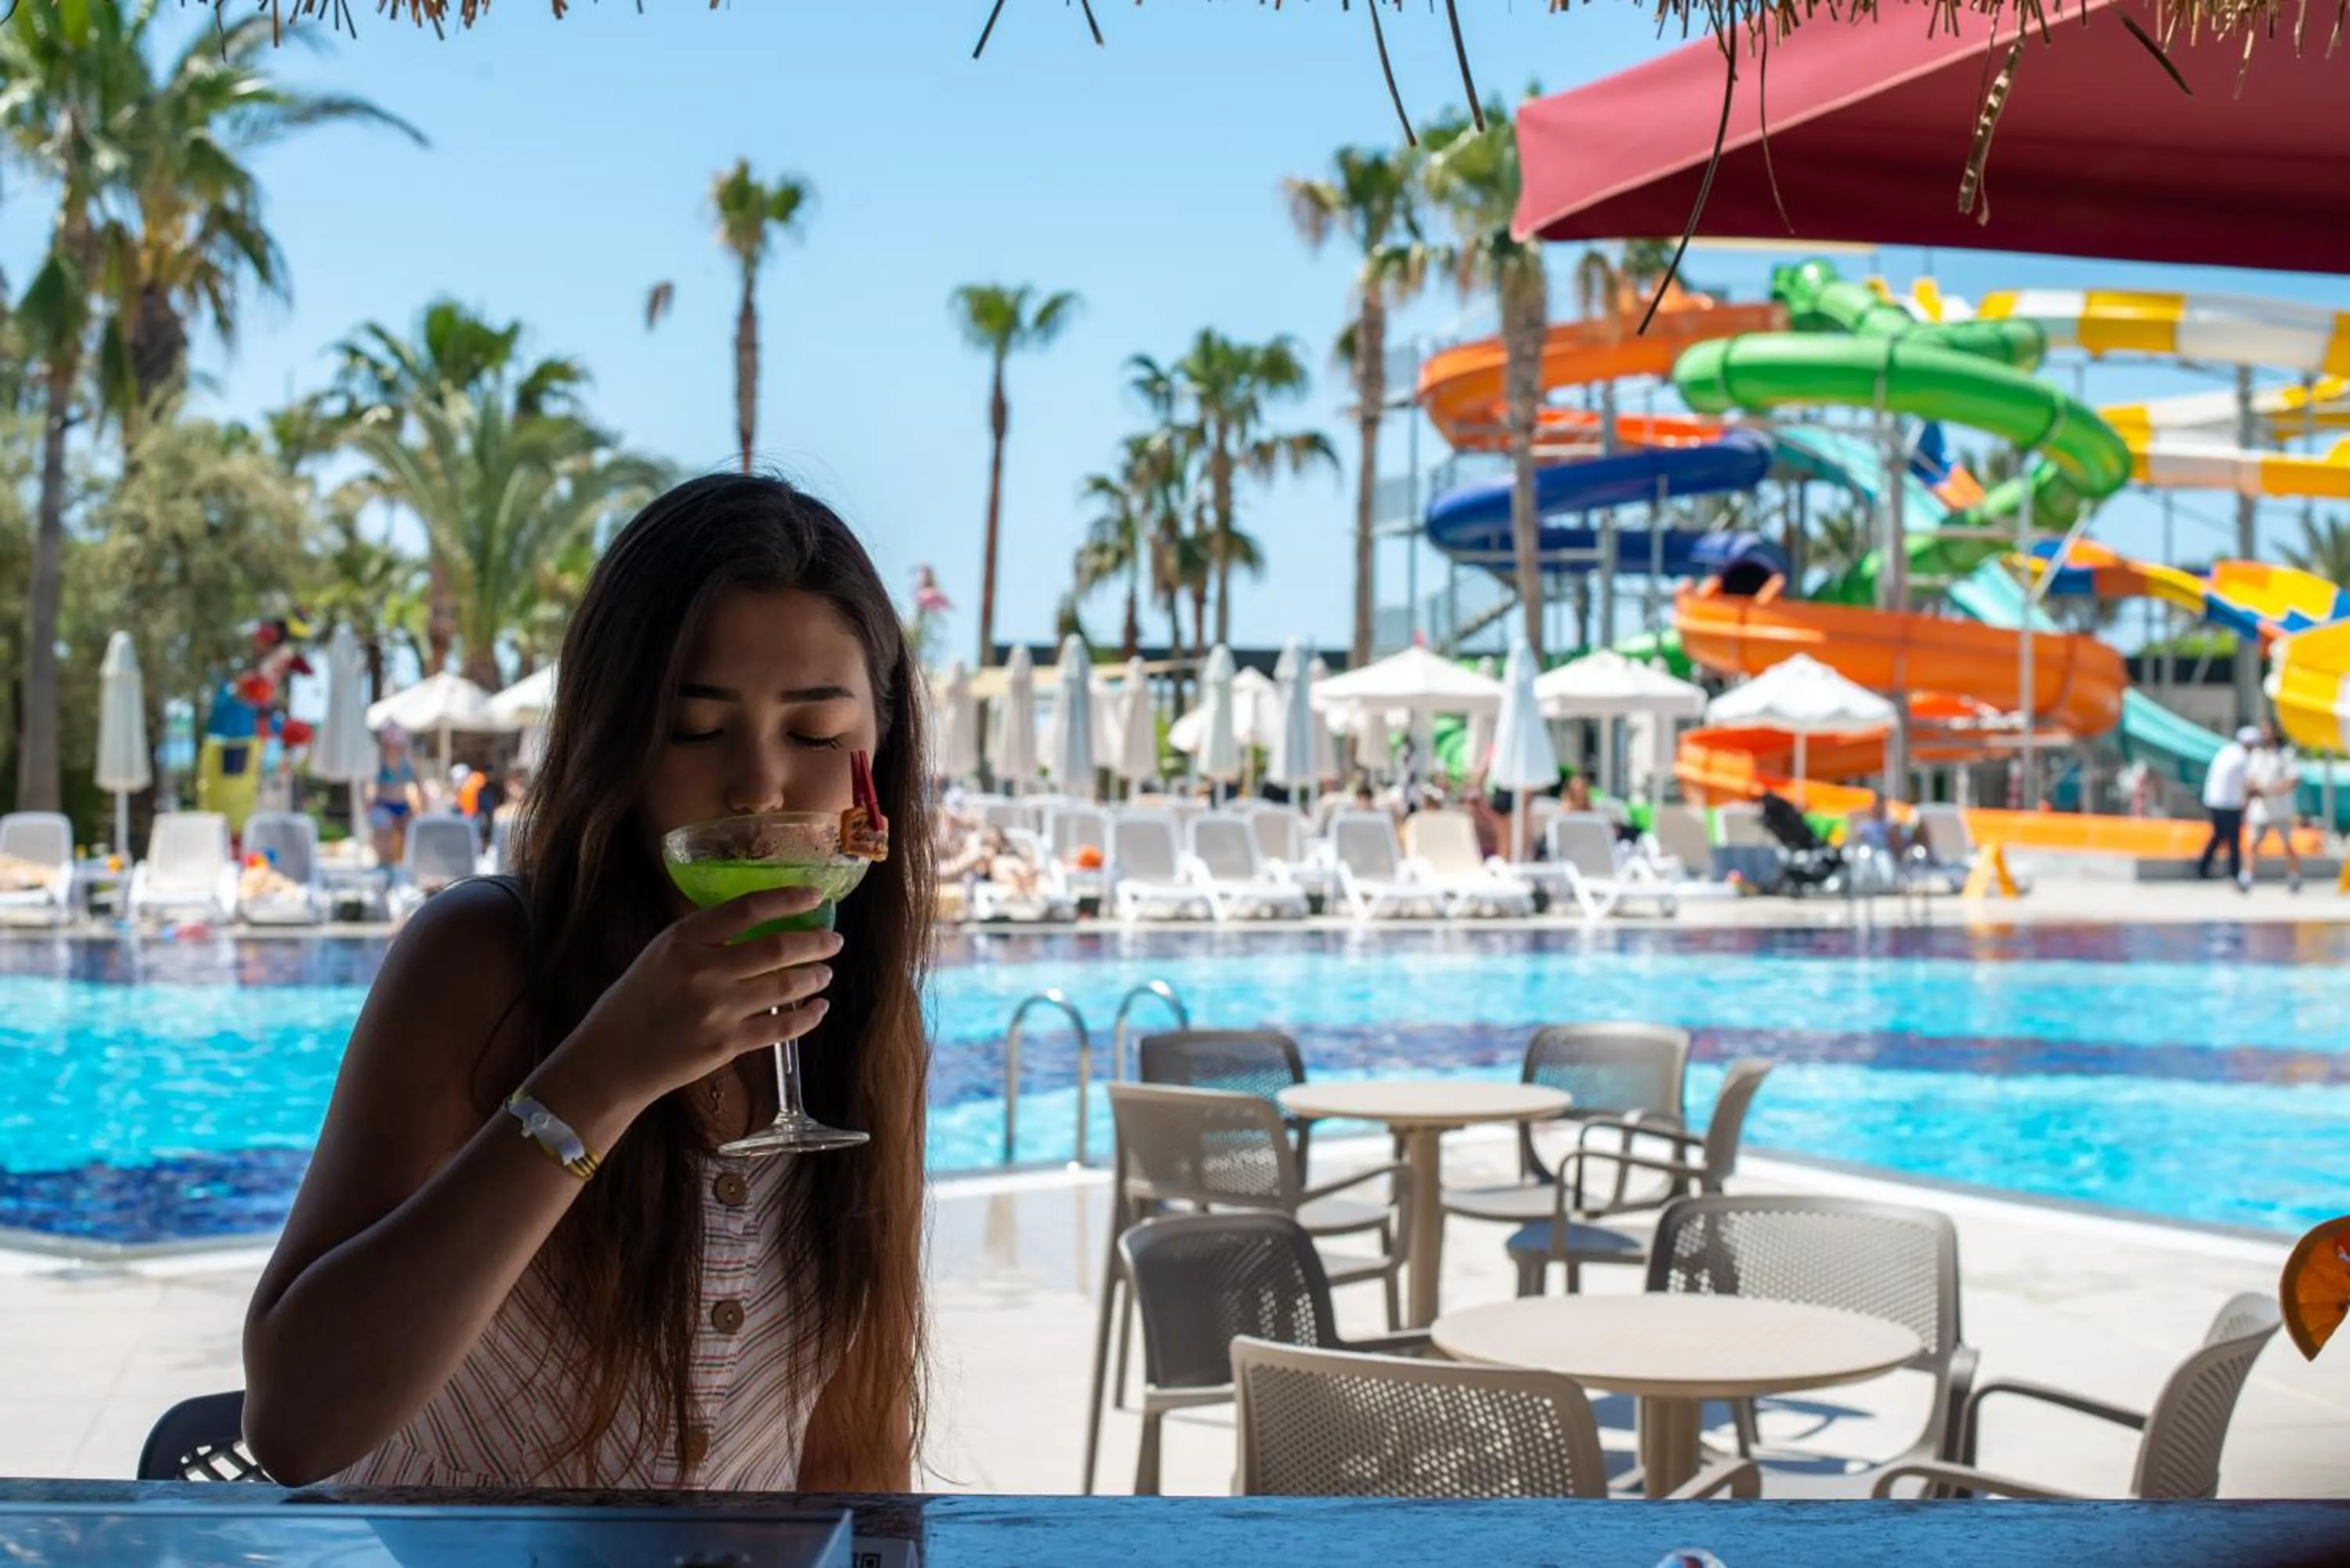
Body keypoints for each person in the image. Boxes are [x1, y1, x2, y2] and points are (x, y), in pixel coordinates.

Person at [242, 474, 930, 1492]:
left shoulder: (872, 1025)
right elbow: (296, 1422)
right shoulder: (482, 960)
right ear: (618, 744)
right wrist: (603, 1075)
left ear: (877, 758)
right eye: (695, 730)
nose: (758, 785)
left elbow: (854, 1450)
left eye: (816, 734)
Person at [2196, 724, 2258, 890]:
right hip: (2228, 804)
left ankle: (2203, 868)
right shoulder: (2242, 758)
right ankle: (2234, 873)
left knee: (2219, 836)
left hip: (2214, 801)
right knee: (2233, 840)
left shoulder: (2227, 751)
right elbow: (2248, 784)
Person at [2246, 721, 2303, 894]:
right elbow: (2251, 777)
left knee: (2288, 844)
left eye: (2267, 730)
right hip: (2260, 808)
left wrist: (2268, 791)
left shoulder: (2286, 754)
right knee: (2253, 844)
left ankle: (2294, 877)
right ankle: (2247, 877)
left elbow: (2292, 781)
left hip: (2281, 809)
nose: (2264, 733)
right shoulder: (2257, 754)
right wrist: (2253, 789)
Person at [367, 725, 423, 866]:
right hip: (383, 804)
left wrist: (421, 805)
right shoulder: (378, 761)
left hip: (403, 805)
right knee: (385, 844)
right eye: (390, 745)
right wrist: (368, 805)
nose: (393, 748)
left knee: (409, 841)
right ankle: (386, 867)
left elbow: (418, 783)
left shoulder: (407, 761)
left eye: (397, 745)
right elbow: (370, 786)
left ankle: (402, 870)